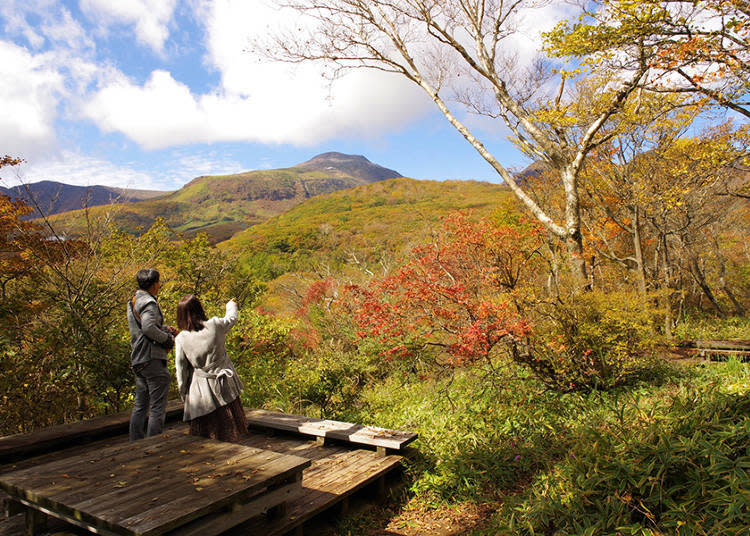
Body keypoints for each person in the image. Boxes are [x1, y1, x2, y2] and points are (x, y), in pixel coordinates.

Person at [175, 295, 247, 442]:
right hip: (225, 386)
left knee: (207, 435)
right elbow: (231, 318)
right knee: (231, 429)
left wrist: (185, 395)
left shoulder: (181, 339)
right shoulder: (214, 326)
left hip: (201, 392)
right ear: (199, 309)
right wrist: (231, 305)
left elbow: (181, 371)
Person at [127, 268, 177, 441]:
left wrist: (164, 328)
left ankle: (135, 443)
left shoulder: (134, 301)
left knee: (140, 405)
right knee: (157, 407)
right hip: (152, 358)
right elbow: (148, 328)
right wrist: (166, 339)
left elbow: (142, 328)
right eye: (158, 282)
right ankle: (154, 445)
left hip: (138, 359)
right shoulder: (149, 303)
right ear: (154, 284)